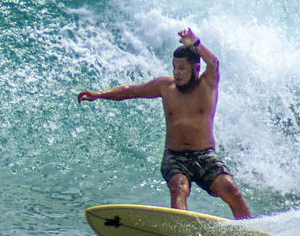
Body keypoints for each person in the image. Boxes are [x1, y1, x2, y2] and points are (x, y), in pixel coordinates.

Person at [77, 27, 251, 219]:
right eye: (174, 67)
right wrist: (99, 95)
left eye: (182, 68)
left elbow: (214, 62)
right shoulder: (165, 86)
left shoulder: (207, 85)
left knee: (230, 189)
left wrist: (195, 43)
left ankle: (250, 232)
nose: (177, 73)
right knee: (178, 186)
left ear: (196, 69)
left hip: (205, 154)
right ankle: (182, 229)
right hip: (175, 156)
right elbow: (130, 91)